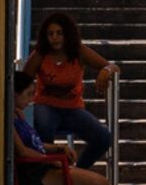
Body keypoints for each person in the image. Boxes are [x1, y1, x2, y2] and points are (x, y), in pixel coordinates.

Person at [13, 73, 108, 185]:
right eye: (28, 94)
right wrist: (50, 159)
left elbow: (35, 143)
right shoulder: (9, 119)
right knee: (98, 184)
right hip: (33, 172)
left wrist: (58, 147)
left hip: (41, 165)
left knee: (100, 184)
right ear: (14, 94)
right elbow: (22, 151)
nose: (31, 100)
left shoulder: (18, 114)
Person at [19, 12, 116, 172]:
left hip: (73, 108)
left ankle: (77, 172)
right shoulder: (40, 54)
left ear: (67, 34)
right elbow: (22, 80)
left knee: (103, 138)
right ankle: (48, 169)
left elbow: (112, 67)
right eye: (50, 34)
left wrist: (106, 71)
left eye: (59, 33)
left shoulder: (79, 52)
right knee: (44, 126)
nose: (55, 38)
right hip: (46, 105)